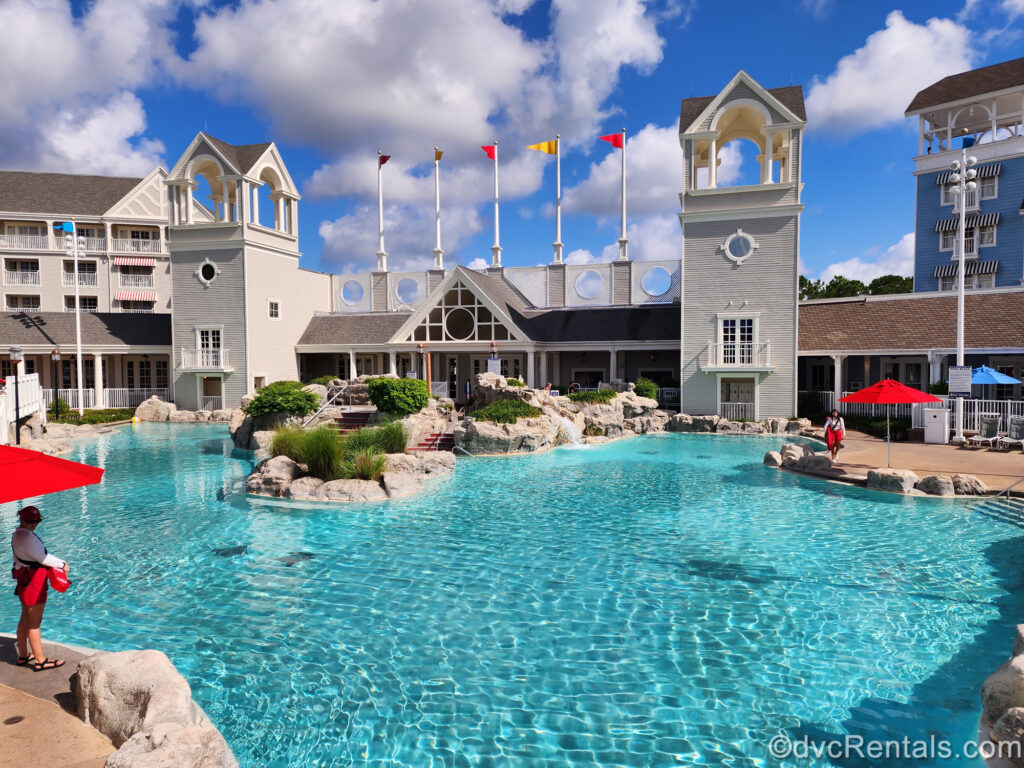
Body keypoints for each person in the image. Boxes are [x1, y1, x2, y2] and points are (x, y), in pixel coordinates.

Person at [11, 506, 68, 671]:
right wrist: (62, 564)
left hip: (25, 582)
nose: (34, 524)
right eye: (30, 521)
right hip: (33, 583)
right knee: (34, 623)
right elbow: (43, 558)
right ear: (21, 519)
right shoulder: (26, 537)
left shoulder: (18, 534)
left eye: (37, 520)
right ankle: (40, 660)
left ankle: (23, 656)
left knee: (24, 620)